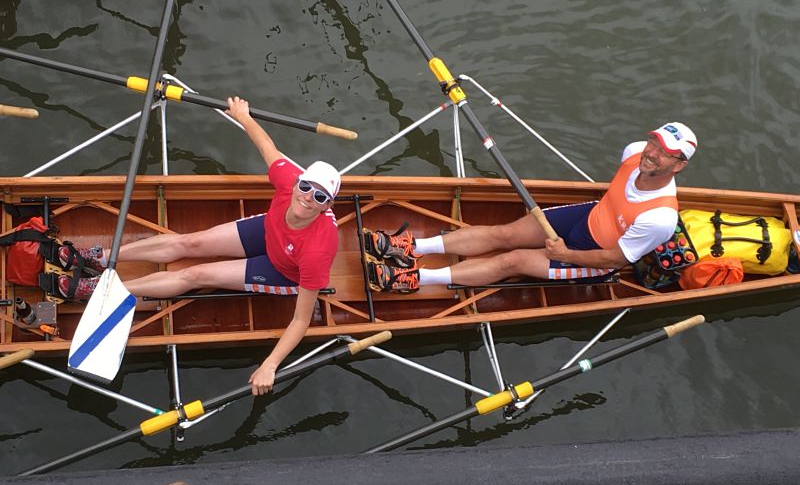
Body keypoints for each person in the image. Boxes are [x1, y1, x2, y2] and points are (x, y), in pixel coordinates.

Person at [55, 96, 341, 395]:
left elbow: (300, 319)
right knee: (191, 241)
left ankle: (110, 287)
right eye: (306, 187)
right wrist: (243, 116)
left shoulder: (318, 251)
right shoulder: (288, 182)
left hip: (284, 271)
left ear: (327, 206)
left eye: (319, 197)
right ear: (297, 183)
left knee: (196, 275)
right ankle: (103, 257)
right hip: (269, 230)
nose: (308, 198)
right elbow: (267, 147)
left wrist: (270, 365)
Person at [364, 122, 697, 291]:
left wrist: (568, 256)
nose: (651, 152)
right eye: (653, 142)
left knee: (514, 260)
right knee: (505, 234)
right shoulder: (634, 152)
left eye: (664, 151)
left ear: (678, 165)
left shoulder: (659, 218)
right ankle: (410, 247)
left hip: (595, 256)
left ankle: (414, 279)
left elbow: (616, 259)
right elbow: (636, 161)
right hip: (590, 215)